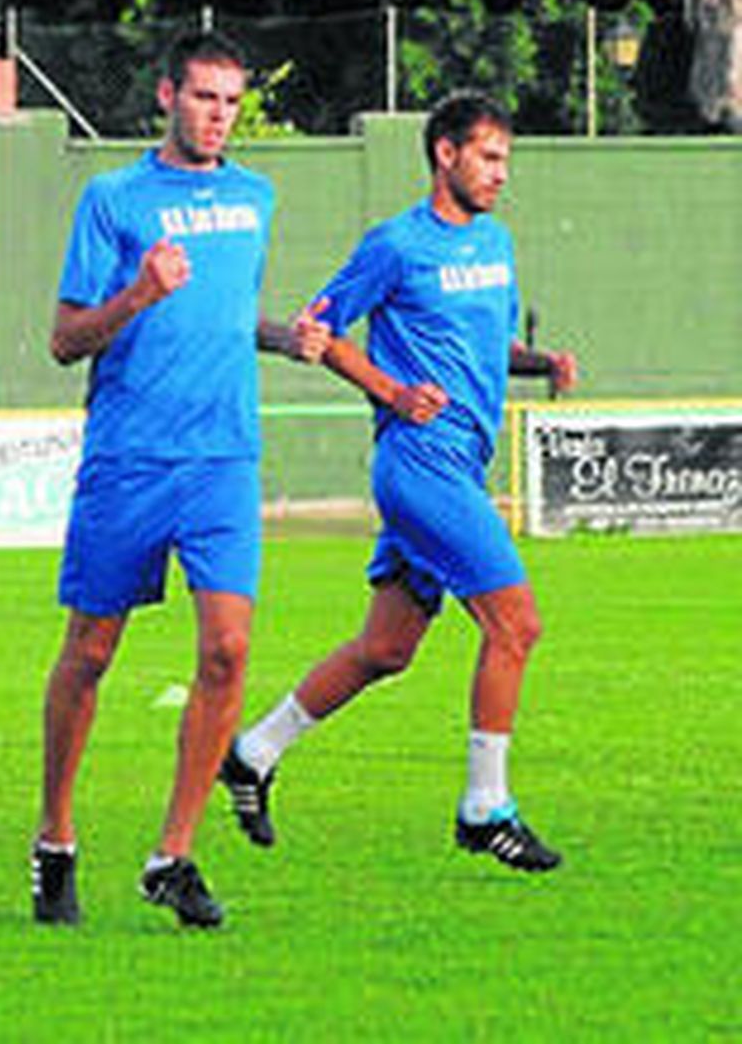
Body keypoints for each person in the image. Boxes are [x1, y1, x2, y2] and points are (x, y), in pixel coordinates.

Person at [220, 91, 579, 873]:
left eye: (505, 161)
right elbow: (318, 330)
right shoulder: (396, 245)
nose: (499, 174)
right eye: (488, 157)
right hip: (421, 468)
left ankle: (251, 753)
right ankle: (486, 807)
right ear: (445, 154)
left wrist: (540, 364)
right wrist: (391, 392)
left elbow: (482, 345)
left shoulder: (497, 244)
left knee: (386, 648)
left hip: (457, 466)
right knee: (516, 625)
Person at [31, 32, 330, 929]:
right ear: (167, 94)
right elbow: (65, 338)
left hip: (224, 458)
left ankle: (174, 854)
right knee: (90, 653)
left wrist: (288, 338)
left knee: (229, 651)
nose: (217, 115)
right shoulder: (114, 198)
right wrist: (137, 296)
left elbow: (230, 316)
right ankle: (54, 838)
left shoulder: (254, 197)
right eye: (203, 97)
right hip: (130, 456)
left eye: (232, 101)